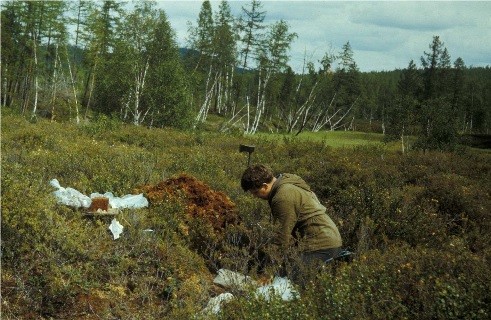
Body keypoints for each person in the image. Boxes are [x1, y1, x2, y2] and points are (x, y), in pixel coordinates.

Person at [241, 164, 343, 268]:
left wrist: (269, 271)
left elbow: (281, 238)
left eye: (255, 192)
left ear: (265, 186)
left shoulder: (283, 197)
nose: (254, 196)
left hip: (320, 246)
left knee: (284, 280)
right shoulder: (287, 182)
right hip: (329, 240)